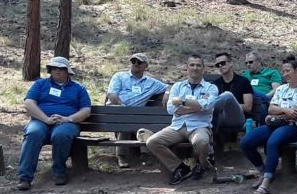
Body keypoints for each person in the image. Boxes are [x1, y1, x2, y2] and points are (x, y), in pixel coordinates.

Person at [142, 54, 218, 185]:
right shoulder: (177, 86)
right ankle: (180, 168)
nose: (195, 68)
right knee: (152, 141)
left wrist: (182, 101)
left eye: (198, 65)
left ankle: (203, 164)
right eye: (192, 65)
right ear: (186, 68)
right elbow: (171, 109)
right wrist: (196, 106)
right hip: (177, 126)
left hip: (199, 126)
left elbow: (206, 106)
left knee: (202, 141)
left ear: (203, 69)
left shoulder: (211, 88)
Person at [17, 56, 91, 190]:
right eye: (54, 68)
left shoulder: (78, 88)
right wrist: (45, 119)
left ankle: (59, 172)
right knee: (33, 133)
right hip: (41, 120)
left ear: (67, 71)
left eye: (61, 68)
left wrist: (67, 119)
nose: (57, 71)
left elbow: (86, 110)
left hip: (67, 122)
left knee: (61, 135)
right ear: (50, 70)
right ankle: (25, 177)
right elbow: (28, 103)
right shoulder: (40, 84)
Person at [243, 59, 297, 194]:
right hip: (275, 125)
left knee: (273, 142)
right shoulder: (282, 88)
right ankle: (263, 171)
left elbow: (296, 115)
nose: (284, 74)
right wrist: (286, 111)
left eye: (288, 71)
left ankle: (266, 183)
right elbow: (271, 108)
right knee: (246, 141)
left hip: (294, 127)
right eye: (283, 71)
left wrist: (277, 114)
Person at [105, 53, 168, 167]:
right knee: (126, 116)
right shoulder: (119, 76)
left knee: (134, 119)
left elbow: (168, 86)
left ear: (145, 66)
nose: (136, 64)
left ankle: (139, 154)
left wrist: (167, 92)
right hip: (115, 110)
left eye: (139, 62)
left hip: (137, 115)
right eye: (133, 61)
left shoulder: (151, 82)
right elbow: (112, 95)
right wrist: (123, 106)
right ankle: (122, 156)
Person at [210, 52, 254, 139]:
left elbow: (248, 107)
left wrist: (229, 105)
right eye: (218, 65)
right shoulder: (215, 84)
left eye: (223, 63)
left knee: (227, 95)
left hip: (237, 119)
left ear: (230, 63)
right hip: (220, 119)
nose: (220, 66)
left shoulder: (243, 81)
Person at [243, 51, 282, 124]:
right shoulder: (245, 75)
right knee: (248, 89)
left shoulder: (272, 73)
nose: (248, 64)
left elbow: (277, 89)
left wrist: (264, 97)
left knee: (250, 90)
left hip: (264, 102)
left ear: (259, 61)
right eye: (246, 63)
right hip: (247, 101)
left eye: (250, 62)